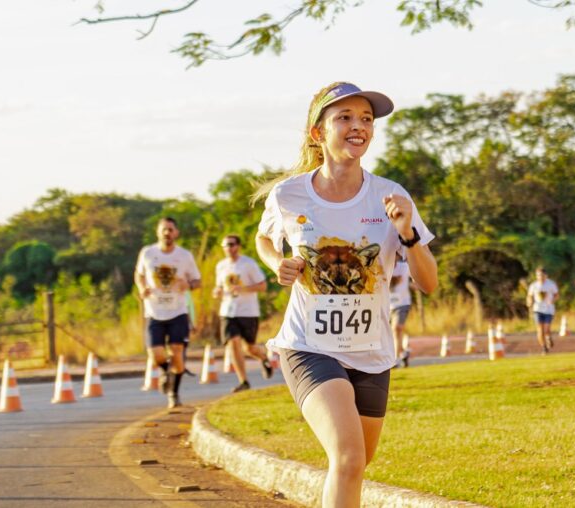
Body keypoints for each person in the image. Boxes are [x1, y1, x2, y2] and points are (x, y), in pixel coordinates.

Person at [254, 82, 437, 507]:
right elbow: (265, 239)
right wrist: (275, 263)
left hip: (372, 352)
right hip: (309, 347)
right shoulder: (289, 194)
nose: (359, 127)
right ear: (318, 133)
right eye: (345, 118)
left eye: (367, 120)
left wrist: (407, 233)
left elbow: (428, 283)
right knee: (349, 457)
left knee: (356, 462)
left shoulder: (390, 196)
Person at [135, 217, 201, 408]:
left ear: (176, 233)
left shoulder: (185, 256)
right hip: (153, 311)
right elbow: (139, 274)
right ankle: (167, 372)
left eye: (171, 229)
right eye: (164, 229)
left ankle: (174, 393)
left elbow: (198, 281)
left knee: (177, 353)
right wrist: (141, 287)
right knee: (155, 355)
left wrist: (187, 284)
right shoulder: (147, 253)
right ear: (158, 232)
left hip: (178, 312)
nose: (167, 233)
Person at [213, 234, 273, 392]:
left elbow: (262, 286)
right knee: (233, 343)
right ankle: (243, 381)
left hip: (248, 311)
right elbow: (219, 286)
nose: (229, 248)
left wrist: (243, 289)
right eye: (226, 245)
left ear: (238, 246)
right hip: (227, 311)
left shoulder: (248, 264)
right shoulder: (221, 266)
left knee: (250, 348)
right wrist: (217, 291)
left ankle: (264, 358)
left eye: (232, 244)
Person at [526, 266, 559, 354]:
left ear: (545, 275)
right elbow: (529, 296)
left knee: (546, 329)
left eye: (542, 275)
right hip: (538, 309)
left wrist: (552, 300)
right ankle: (544, 347)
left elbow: (556, 295)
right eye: (538, 275)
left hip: (549, 309)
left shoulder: (551, 284)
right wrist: (529, 302)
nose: (540, 277)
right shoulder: (534, 285)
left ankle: (548, 338)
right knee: (540, 330)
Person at [389, 258, 413, 368]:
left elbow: (415, 278)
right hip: (386, 305)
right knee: (391, 333)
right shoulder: (382, 265)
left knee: (397, 328)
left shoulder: (404, 266)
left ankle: (396, 359)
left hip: (402, 303)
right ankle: (404, 353)